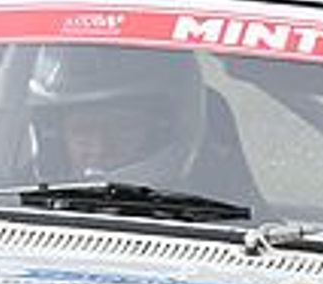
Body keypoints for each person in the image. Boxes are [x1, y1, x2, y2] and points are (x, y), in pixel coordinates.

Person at [26, 45, 209, 187]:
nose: (100, 149)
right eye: (82, 131)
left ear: (160, 132)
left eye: (121, 129)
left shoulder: (213, 204)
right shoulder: (17, 197)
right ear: (57, 137)